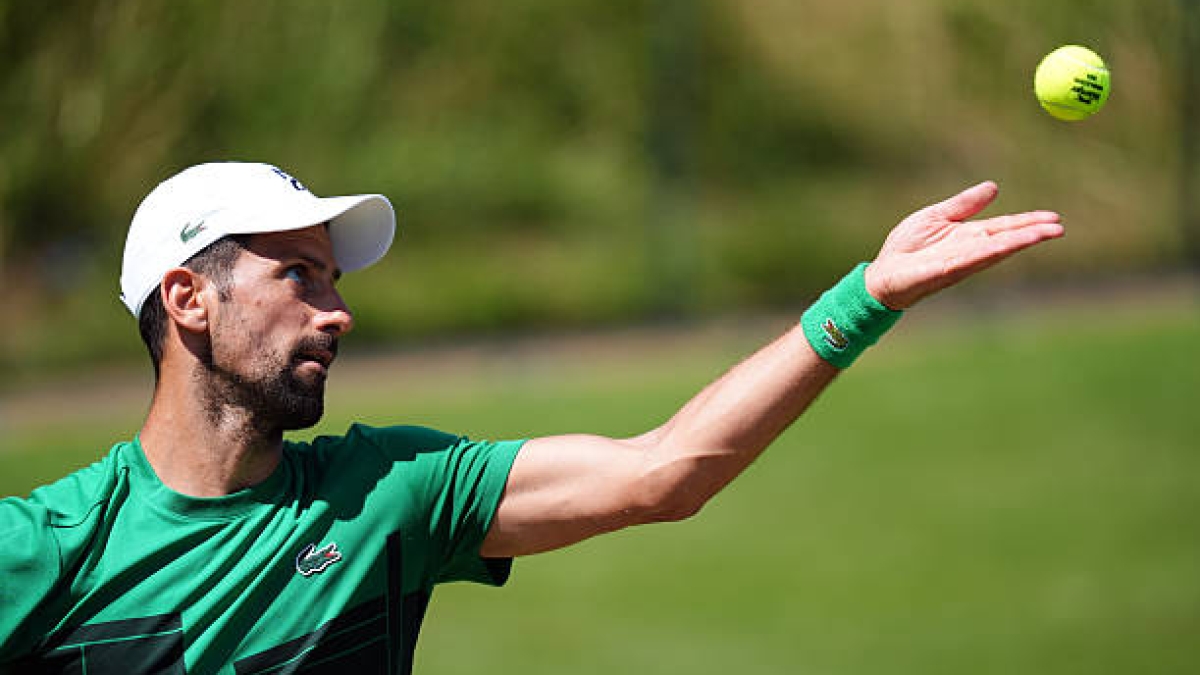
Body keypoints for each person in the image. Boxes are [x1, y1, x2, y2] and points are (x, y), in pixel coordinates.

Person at [0, 162, 1063, 674]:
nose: (338, 310)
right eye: (299, 276)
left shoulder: (387, 494)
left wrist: (864, 299)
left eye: (333, 279)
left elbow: (664, 471)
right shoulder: (49, 552)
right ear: (189, 300)